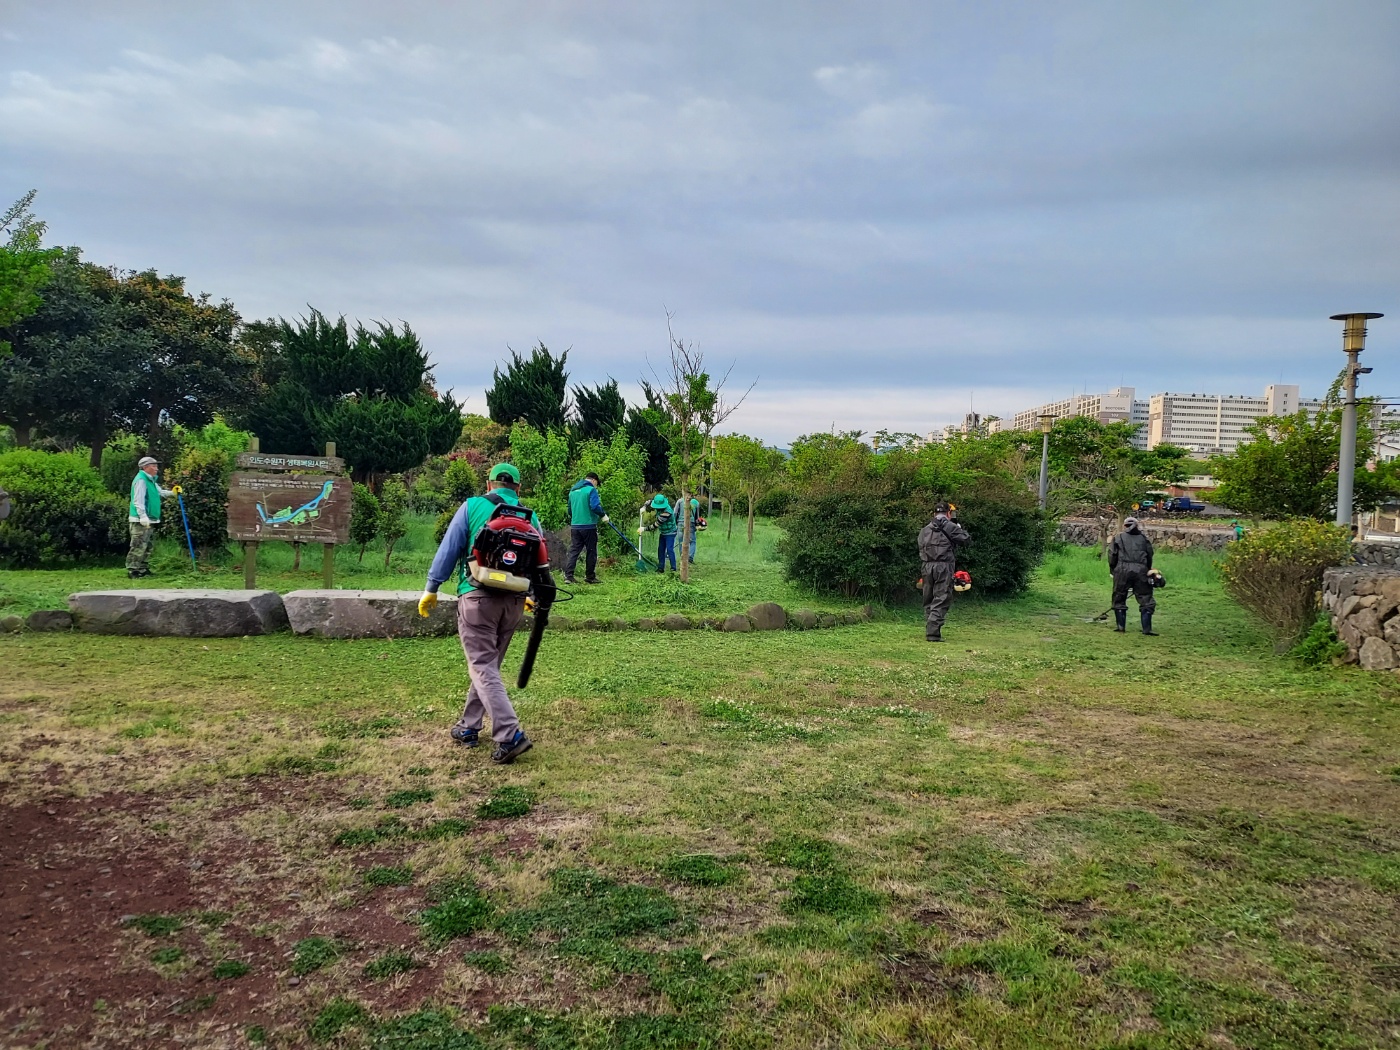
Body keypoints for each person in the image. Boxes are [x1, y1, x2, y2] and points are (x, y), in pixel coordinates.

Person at [417, 463, 555, 764]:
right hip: (514, 602)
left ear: (489, 484)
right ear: (518, 488)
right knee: (487, 666)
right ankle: (468, 726)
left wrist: (432, 587)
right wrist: (530, 595)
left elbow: (449, 549)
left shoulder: (472, 506)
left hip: (477, 597)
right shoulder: (529, 517)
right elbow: (539, 561)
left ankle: (510, 734)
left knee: (482, 666)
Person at [917, 501, 970, 642]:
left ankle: (930, 626)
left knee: (928, 597)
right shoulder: (950, 526)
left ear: (934, 513)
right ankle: (933, 632)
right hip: (944, 566)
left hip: (926, 566)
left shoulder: (924, 530)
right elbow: (966, 540)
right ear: (948, 513)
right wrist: (958, 528)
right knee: (941, 597)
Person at [127, 456, 174, 579]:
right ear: (145, 467)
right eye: (153, 466)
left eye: (156, 466)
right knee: (138, 545)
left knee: (147, 545)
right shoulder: (141, 480)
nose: (156, 468)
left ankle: (143, 568)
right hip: (140, 520)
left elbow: (161, 493)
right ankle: (133, 570)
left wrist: (173, 493)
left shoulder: (151, 480)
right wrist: (142, 516)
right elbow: (138, 500)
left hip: (150, 518)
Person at [1109, 515, 1157, 635]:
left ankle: (1121, 627)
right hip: (1141, 570)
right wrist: (1148, 569)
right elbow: (1149, 555)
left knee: (1119, 597)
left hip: (1122, 569)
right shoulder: (1143, 539)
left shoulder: (1118, 537)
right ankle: (1147, 629)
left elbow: (1112, 555)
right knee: (1145, 597)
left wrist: (1113, 570)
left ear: (1125, 526)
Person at [563, 473, 608, 584]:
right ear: (593, 480)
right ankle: (590, 577)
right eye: (597, 483)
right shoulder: (591, 490)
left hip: (575, 526)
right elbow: (594, 506)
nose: (596, 486)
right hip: (589, 526)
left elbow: (569, 510)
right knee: (591, 551)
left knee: (574, 550)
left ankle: (568, 576)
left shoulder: (573, 491)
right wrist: (603, 515)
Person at [640, 493, 678, 572]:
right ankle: (660, 568)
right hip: (663, 532)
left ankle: (673, 568)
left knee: (670, 549)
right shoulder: (658, 503)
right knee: (660, 549)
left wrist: (644, 529)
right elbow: (649, 502)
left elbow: (656, 525)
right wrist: (644, 507)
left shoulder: (667, 512)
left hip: (670, 532)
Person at [686, 496, 702, 564]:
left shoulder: (683, 501)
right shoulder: (696, 503)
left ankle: (682, 557)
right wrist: (697, 525)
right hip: (692, 522)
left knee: (681, 540)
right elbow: (697, 516)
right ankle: (690, 557)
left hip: (682, 522)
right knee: (693, 541)